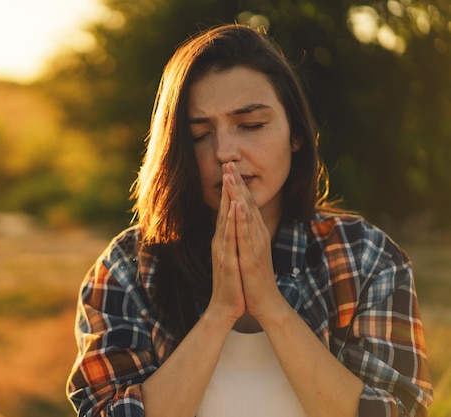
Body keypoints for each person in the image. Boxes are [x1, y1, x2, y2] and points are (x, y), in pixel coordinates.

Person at [66, 24, 433, 417]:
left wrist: (271, 307)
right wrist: (219, 313)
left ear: (295, 133)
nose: (225, 152)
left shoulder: (365, 258)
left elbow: (399, 410)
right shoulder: (130, 266)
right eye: (199, 135)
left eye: (251, 125)